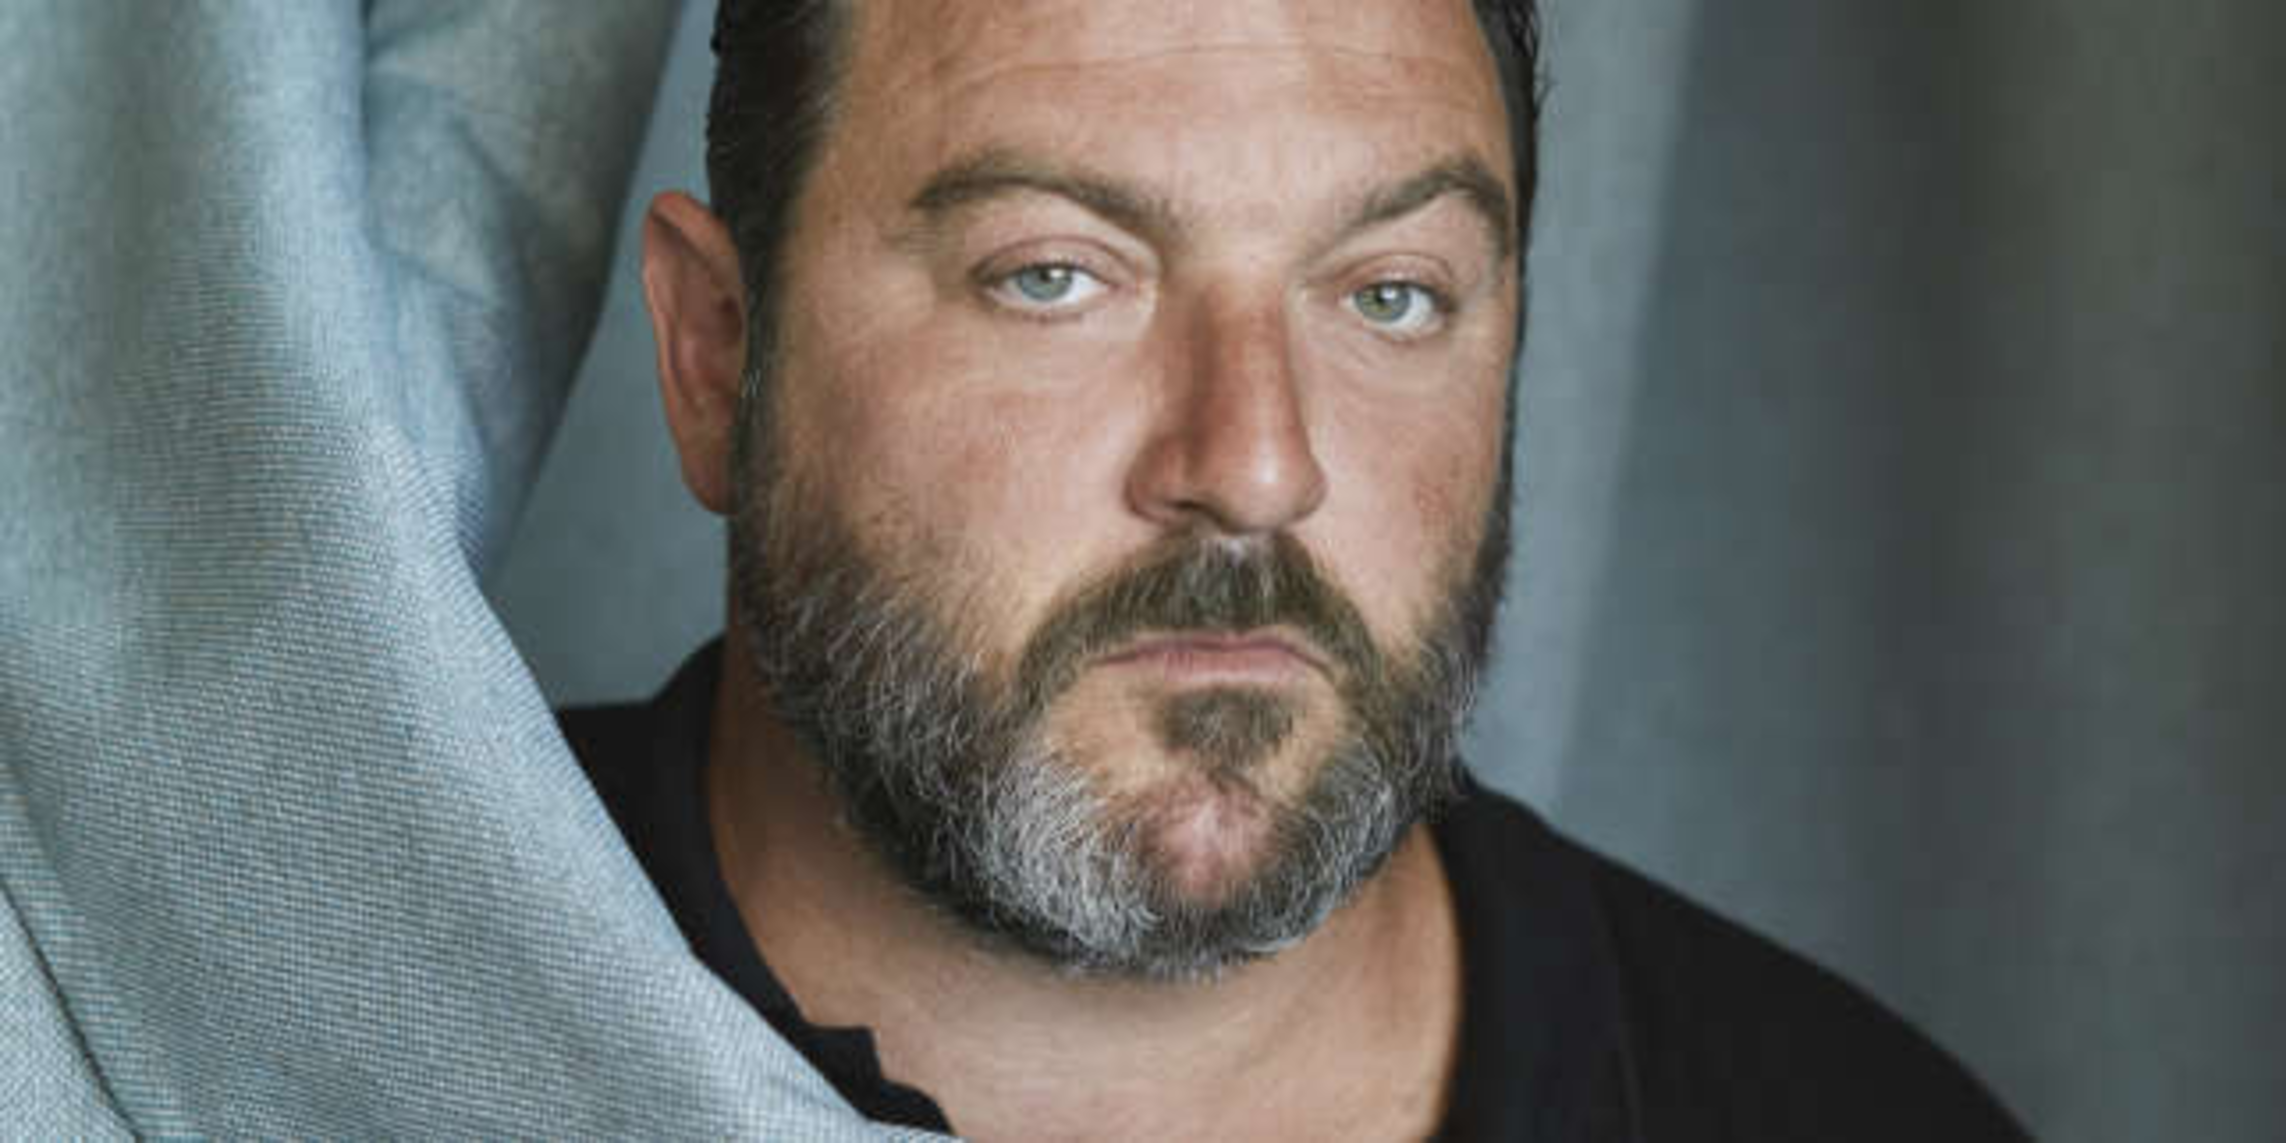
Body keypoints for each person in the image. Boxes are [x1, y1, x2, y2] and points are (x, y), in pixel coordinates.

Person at [563, 1, 2026, 1137]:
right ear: (715, 355)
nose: (1258, 466)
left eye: (1390, 294)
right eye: (1052, 275)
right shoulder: (415, 1006)